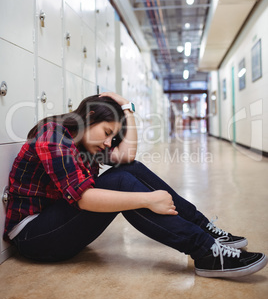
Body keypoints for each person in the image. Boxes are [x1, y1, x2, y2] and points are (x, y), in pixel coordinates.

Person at [4, 92, 267, 278]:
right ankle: (205, 251)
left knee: (128, 169)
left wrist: (127, 108)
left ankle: (206, 232)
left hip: (56, 224)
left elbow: (127, 157)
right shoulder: (53, 135)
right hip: (33, 237)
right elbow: (84, 199)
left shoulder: (85, 142)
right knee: (120, 181)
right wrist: (147, 200)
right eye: (107, 133)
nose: (109, 143)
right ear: (89, 116)